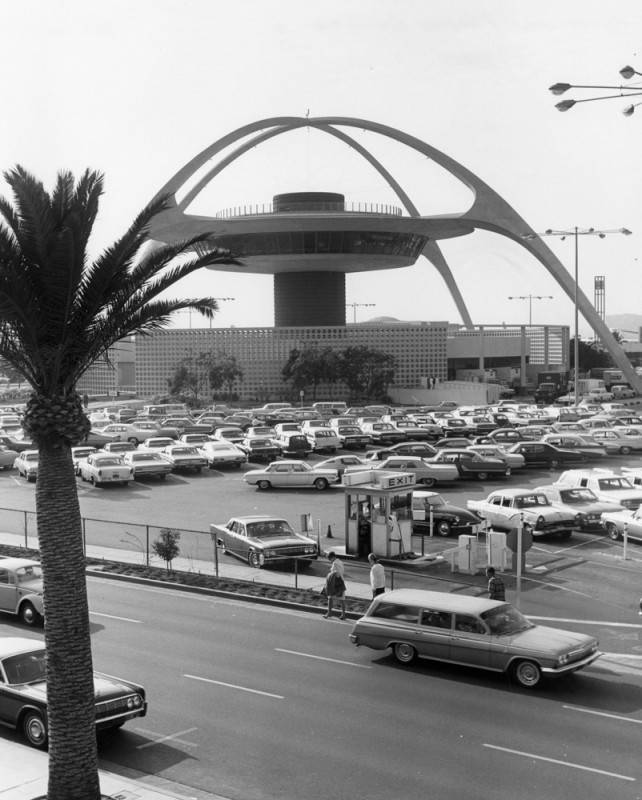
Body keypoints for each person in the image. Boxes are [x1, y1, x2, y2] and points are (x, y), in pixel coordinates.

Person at [323, 551, 346, 619]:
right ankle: (343, 615)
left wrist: (329, 576)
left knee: (330, 597)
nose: (330, 561)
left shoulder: (335, 563)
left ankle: (329, 613)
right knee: (342, 599)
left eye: (330, 559)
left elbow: (335, 574)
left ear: (332, 557)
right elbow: (341, 572)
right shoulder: (340, 562)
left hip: (336, 583)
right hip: (341, 582)